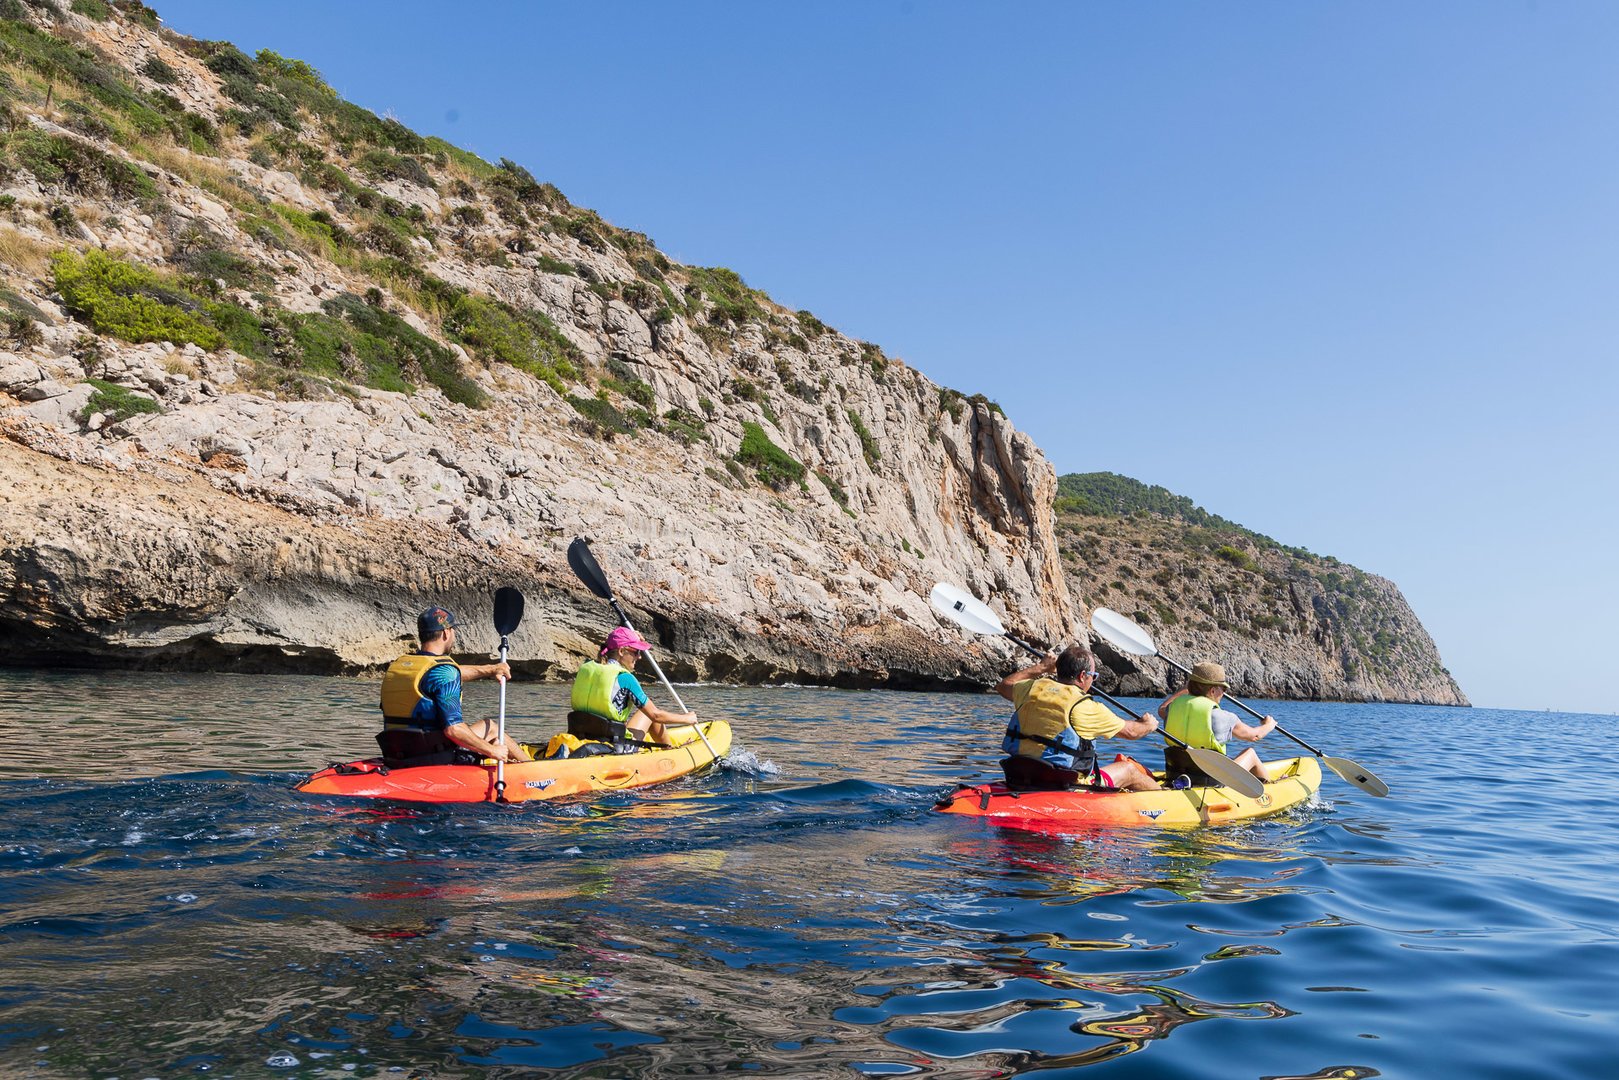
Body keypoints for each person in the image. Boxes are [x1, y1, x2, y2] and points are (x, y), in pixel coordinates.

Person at [995, 645, 1164, 792]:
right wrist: (1149, 724)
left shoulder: (1030, 688)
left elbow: (1003, 687)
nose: (1093, 680)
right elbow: (1132, 732)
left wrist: (1041, 667)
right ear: (1083, 676)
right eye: (1094, 675)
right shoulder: (1084, 706)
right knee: (1129, 769)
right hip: (1065, 783)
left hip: (1019, 773)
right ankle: (1166, 799)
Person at [377, 606, 532, 765]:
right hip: (433, 756)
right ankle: (535, 771)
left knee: (491, 735)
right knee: (491, 728)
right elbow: (453, 730)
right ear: (446, 633)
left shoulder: (402, 667)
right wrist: (492, 750)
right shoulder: (445, 672)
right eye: (453, 630)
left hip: (397, 752)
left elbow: (443, 677)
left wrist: (491, 669)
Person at [569, 626, 697, 749]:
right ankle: (670, 750)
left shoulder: (586, 668)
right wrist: (687, 718)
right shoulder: (625, 678)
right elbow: (656, 716)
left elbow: (610, 646)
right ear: (621, 651)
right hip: (615, 747)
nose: (639, 657)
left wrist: (631, 636)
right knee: (647, 713)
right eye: (636, 652)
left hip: (581, 740)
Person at [1156, 661, 1277, 785]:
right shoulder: (1221, 716)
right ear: (1213, 690)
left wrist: (1187, 688)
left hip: (1176, 774)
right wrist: (1269, 725)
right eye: (1223, 688)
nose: (1224, 693)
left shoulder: (1172, 708)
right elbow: (1254, 735)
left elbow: (1161, 710)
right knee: (1250, 753)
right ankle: (1270, 789)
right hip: (1213, 781)